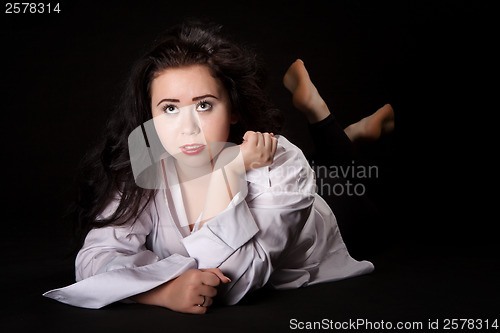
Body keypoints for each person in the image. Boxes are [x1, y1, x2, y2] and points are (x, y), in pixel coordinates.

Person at [43, 21, 394, 314]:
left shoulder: (281, 160)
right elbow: (96, 257)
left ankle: (327, 120)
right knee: (328, 165)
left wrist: (229, 173)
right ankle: (349, 133)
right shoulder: (145, 163)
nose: (188, 128)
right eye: (169, 108)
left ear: (234, 109)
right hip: (294, 181)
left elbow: (236, 280)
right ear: (148, 117)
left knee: (361, 200)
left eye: (204, 105)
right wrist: (159, 292)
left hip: (334, 217)